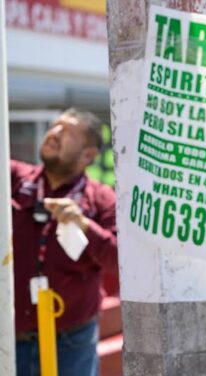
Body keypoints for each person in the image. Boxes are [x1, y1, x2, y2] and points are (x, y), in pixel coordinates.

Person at [11, 108, 118, 375]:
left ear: (88, 155)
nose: (54, 133)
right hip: (10, 337)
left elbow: (120, 261)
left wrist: (83, 224)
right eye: (55, 126)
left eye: (68, 131)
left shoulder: (102, 199)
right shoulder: (12, 178)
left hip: (72, 343)